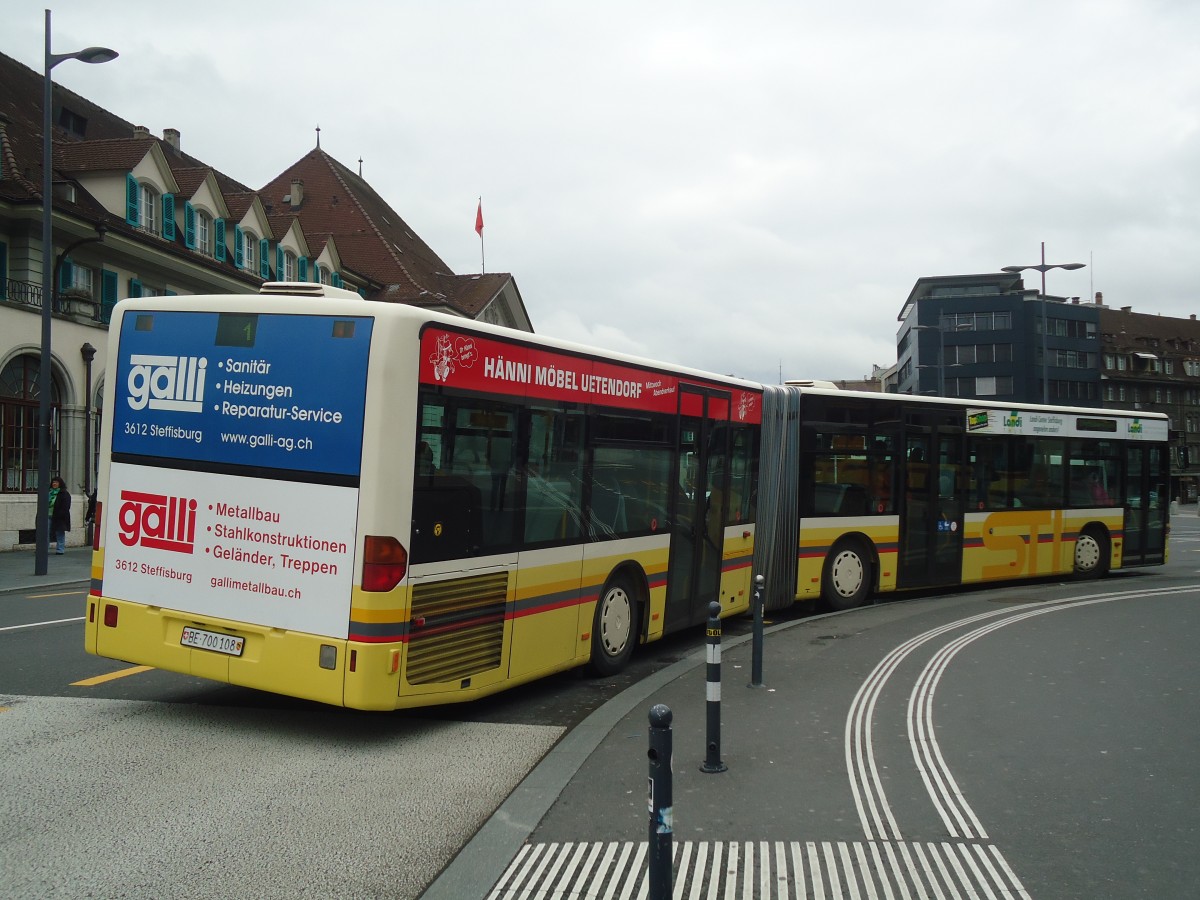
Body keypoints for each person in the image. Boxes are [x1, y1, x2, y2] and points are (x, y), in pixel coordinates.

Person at [47, 476, 71, 555]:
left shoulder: (64, 493)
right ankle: (43, 548)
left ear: (60, 484)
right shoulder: (48, 492)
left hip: (59, 517)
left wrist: (61, 514)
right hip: (47, 515)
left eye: (56, 482)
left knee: (59, 532)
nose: (54, 484)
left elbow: (66, 506)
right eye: (53, 482)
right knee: (45, 532)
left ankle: (60, 549)